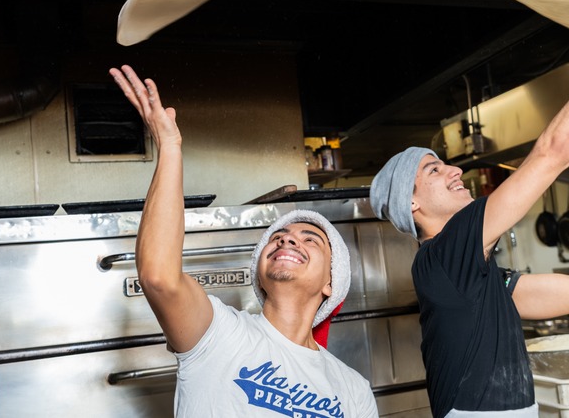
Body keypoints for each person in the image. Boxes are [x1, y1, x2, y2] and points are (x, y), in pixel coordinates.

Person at [369, 5, 569, 418]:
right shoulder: (443, 254)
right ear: (411, 204)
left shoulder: (473, 279)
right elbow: (554, 153)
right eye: (433, 168)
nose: (453, 169)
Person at [109, 65, 378, 417]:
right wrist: (170, 146)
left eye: (309, 238)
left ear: (331, 281)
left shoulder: (351, 387)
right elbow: (159, 277)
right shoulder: (219, 334)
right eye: (277, 238)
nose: (288, 241)